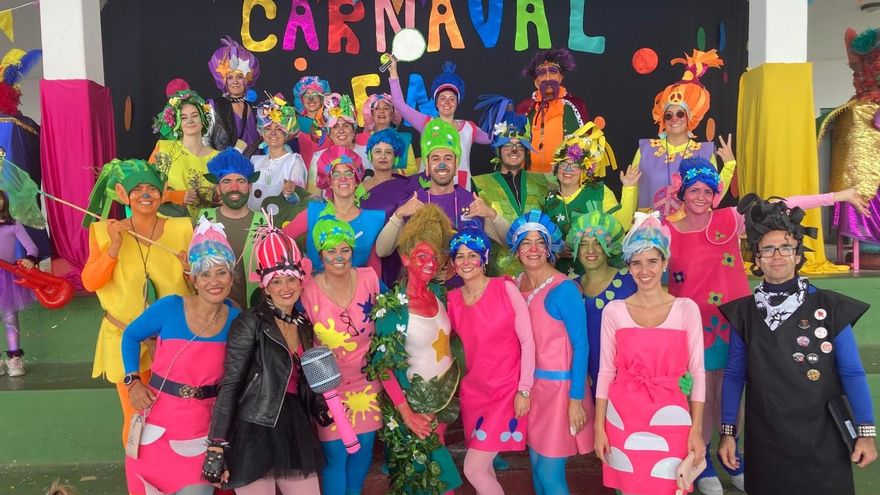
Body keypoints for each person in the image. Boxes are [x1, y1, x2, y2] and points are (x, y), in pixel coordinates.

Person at [665, 157, 870, 494]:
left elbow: (784, 205)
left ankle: (735, 455)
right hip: (691, 326)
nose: (700, 197)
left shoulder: (730, 220)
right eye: (693, 190)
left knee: (736, 390)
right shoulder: (668, 229)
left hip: (736, 320)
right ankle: (701, 462)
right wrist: (630, 192)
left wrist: (838, 196)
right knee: (700, 395)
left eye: (707, 190)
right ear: (682, 192)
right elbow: (640, 246)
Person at [717, 194, 877, 495]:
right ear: (757, 258)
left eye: (786, 247)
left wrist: (866, 432)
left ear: (798, 253)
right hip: (766, 439)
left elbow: (852, 372)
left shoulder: (829, 307)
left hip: (823, 439)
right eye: (768, 249)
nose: (777, 256)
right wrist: (728, 433)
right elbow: (734, 376)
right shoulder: (744, 313)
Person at [205, 222, 327, 494]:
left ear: (301, 280)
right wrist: (216, 443)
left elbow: (302, 379)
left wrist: (320, 406)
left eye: (291, 279)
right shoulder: (249, 322)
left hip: (294, 426)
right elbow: (231, 383)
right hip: (255, 427)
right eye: (277, 281)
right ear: (266, 287)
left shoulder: (303, 324)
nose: (286, 287)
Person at [121, 218, 239, 495]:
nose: (214, 282)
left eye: (221, 273)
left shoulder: (238, 320)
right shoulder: (169, 307)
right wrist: (133, 381)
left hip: (203, 431)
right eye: (205, 274)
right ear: (193, 278)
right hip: (155, 428)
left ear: (232, 278)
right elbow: (130, 335)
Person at [81, 159, 193, 445]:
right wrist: (113, 249)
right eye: (138, 189)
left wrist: (192, 270)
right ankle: (140, 484)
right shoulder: (105, 232)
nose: (146, 194)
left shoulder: (183, 229)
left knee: (179, 417)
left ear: (163, 191)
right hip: (124, 339)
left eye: (152, 188)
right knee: (136, 419)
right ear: (123, 194)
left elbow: (204, 287)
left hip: (175, 343)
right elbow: (90, 282)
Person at [594, 212, 706, 495]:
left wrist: (696, 428)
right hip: (622, 417)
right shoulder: (614, 311)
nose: (645, 270)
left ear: (665, 263)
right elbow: (606, 371)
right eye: (637, 263)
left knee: (671, 486)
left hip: (673, 417)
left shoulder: (686, 309)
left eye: (652, 261)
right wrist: (599, 427)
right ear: (629, 267)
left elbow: (697, 373)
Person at [365, 205, 463, 494]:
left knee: (435, 482)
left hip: (441, 402)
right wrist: (407, 414)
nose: (430, 262)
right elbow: (382, 366)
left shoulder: (439, 293)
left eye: (435, 257)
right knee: (430, 484)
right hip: (412, 409)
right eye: (422, 256)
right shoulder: (393, 307)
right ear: (406, 259)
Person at [446, 226, 536, 495]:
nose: (466, 262)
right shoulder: (452, 300)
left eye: (472, 255)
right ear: (453, 263)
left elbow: (528, 341)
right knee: (484, 469)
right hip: (474, 394)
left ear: (484, 259)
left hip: (506, 393)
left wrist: (524, 389)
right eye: (459, 256)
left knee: (473, 469)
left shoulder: (504, 287)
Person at [508, 210, 592, 495]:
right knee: (535, 464)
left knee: (549, 471)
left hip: (560, 391)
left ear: (549, 247)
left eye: (539, 242)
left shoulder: (564, 289)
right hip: (531, 391)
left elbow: (582, 346)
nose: (533, 249)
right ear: (516, 250)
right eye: (525, 243)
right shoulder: (516, 284)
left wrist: (576, 399)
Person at [301, 216, 382, 495]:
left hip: (367, 382)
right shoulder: (306, 290)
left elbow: (391, 316)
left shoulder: (370, 278)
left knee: (363, 451)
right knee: (337, 454)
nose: (339, 257)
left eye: (344, 249)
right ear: (320, 254)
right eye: (331, 250)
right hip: (329, 388)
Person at [375, 119, 510, 266]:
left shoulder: (471, 202)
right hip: (424, 286)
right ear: (427, 165)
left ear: (456, 164)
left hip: (465, 286)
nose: (442, 164)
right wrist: (398, 215)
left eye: (448, 158)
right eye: (435, 158)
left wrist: (491, 214)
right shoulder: (413, 203)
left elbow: (510, 242)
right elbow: (382, 251)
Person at [630, 49, 735, 215]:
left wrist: (729, 166)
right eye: (668, 115)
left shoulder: (704, 152)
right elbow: (632, 188)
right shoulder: (645, 150)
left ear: (689, 118)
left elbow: (713, 195)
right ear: (662, 119)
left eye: (680, 114)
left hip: (690, 230)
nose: (674, 118)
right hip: (651, 233)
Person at [542, 121, 638, 276]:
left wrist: (628, 188)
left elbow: (623, 224)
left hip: (603, 273)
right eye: (564, 164)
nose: (568, 170)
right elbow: (545, 243)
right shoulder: (549, 201)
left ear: (584, 170)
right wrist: (557, 252)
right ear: (556, 168)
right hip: (566, 276)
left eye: (575, 165)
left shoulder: (599, 191)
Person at [471, 95, 553, 276]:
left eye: (519, 145)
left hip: (539, 275)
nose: (514, 150)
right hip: (498, 279)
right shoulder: (478, 184)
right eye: (507, 145)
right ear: (498, 150)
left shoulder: (543, 182)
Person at [388, 59, 492, 188]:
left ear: (457, 103)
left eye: (452, 99)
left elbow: (493, 139)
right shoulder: (426, 123)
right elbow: (400, 105)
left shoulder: (469, 128)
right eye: (442, 98)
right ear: (436, 103)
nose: (447, 102)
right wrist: (393, 72)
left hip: (461, 189)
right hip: (430, 188)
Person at [282, 145, 384, 275]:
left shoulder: (372, 220)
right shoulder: (314, 213)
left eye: (349, 173)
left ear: (357, 180)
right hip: (316, 292)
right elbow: (279, 240)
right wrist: (298, 271)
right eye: (336, 174)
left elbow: (374, 272)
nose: (343, 178)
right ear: (329, 181)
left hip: (357, 293)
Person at [565, 211, 637, 396]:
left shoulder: (630, 281)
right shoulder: (571, 288)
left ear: (609, 247)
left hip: (628, 379)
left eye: (598, 243)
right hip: (586, 379)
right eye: (583, 244)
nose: (590, 250)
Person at [200, 148, 266, 309]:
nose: (234, 187)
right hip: (213, 313)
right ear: (218, 188)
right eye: (226, 181)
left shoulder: (264, 222)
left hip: (254, 315)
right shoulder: (204, 219)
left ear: (250, 186)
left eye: (241, 181)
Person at [359, 128, 420, 286]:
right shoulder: (359, 189)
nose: (383, 156)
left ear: (396, 156)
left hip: (402, 253)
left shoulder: (406, 185)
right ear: (370, 155)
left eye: (389, 152)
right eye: (378, 151)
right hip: (369, 254)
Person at [516, 48, 588, 173]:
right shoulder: (526, 108)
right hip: (531, 181)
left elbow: (583, 147)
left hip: (563, 181)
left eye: (553, 72)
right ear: (536, 82)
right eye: (542, 73)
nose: (548, 77)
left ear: (560, 77)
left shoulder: (572, 106)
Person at [150, 88, 219, 218]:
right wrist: (178, 196)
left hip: (204, 230)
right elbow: (147, 188)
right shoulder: (164, 149)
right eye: (183, 117)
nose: (190, 121)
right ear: (177, 123)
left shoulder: (218, 157)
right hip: (167, 228)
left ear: (203, 119)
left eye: (194, 115)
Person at [0, 189, 37, 376]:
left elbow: (31, 247)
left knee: (10, 317)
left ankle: (14, 358)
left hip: (7, 276)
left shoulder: (13, 225)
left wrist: (30, 258)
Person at [249, 94, 307, 211]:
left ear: (287, 133)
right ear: (262, 132)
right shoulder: (255, 162)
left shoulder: (294, 162)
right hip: (252, 225)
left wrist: (290, 194)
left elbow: (298, 202)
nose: (273, 133)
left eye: (279, 129)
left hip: (280, 226)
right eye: (268, 128)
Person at [307, 93, 371, 194]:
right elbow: (313, 197)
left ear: (354, 131)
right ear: (329, 134)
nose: (341, 131)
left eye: (346, 125)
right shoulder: (318, 157)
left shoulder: (369, 153)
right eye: (336, 126)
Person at [206, 36, 261, 152]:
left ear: (246, 80)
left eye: (240, 77)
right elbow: (205, 141)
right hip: (227, 167)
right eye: (230, 77)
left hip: (255, 165)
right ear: (224, 81)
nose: (235, 81)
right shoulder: (214, 106)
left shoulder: (256, 109)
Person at [356, 93, 418, 175]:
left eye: (386, 108)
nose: (381, 111)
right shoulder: (361, 139)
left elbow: (413, 169)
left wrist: (395, 172)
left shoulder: (403, 139)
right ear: (372, 114)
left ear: (392, 114)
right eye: (377, 108)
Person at [292, 75, 332, 168]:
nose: (311, 99)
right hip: (307, 175)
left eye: (315, 94)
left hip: (331, 173)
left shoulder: (332, 121)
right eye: (306, 95)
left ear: (322, 98)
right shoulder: (295, 123)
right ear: (301, 100)